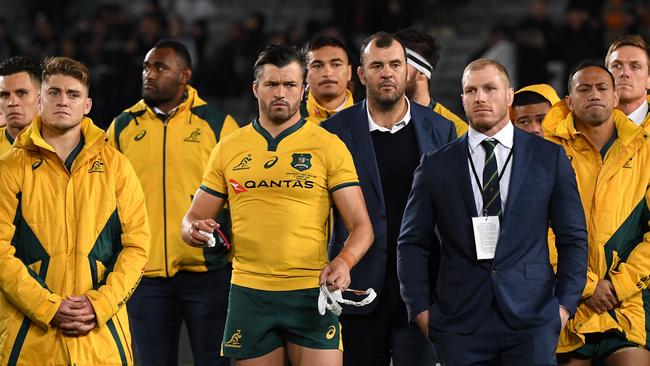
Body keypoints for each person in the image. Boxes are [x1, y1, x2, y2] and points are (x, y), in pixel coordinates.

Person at [181, 44, 374, 366]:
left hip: (311, 292)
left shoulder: (328, 145)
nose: (280, 93)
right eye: (272, 84)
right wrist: (193, 230)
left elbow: (362, 226)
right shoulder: (229, 148)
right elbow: (193, 219)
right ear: (256, 88)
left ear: (303, 90)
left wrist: (344, 262)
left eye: (289, 85)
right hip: (249, 293)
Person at [397, 58, 588, 366]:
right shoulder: (435, 165)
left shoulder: (549, 158)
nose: (480, 97)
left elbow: (574, 238)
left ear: (509, 96)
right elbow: (412, 243)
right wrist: (420, 310)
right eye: (471, 90)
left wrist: (563, 308)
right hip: (458, 323)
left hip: (532, 320)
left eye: (489, 88)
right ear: (462, 99)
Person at [0, 56, 150, 365]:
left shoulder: (117, 166)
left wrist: (101, 304)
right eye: (54, 93)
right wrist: (47, 308)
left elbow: (137, 246)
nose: (62, 101)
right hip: (29, 340)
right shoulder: (9, 168)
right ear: (40, 101)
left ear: (87, 105)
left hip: (101, 337)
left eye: (73, 94)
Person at [322, 31, 455, 366]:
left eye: (396, 64)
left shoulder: (441, 130)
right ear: (362, 74)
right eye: (377, 65)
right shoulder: (333, 132)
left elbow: (451, 214)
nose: (387, 73)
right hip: (357, 288)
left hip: (422, 291)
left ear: (408, 71)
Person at [107, 39, 239, 366]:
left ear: (185, 76)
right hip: (144, 276)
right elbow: (104, 199)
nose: (149, 74)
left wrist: (234, 255)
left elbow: (241, 199)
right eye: (146, 67)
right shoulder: (122, 126)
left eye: (160, 67)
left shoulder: (218, 125)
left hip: (208, 272)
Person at [544, 61, 650, 366]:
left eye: (603, 88)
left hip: (628, 301)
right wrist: (586, 285)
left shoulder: (644, 148)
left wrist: (618, 285)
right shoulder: (546, 151)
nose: (594, 94)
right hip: (566, 299)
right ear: (569, 101)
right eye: (584, 88)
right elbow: (538, 230)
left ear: (616, 97)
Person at [394, 27, 468, 136]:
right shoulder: (372, 121)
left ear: (422, 72)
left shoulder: (457, 131)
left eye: (396, 65)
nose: (388, 73)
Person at [301, 36, 354, 124]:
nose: (328, 73)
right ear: (305, 75)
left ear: (349, 72)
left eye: (336, 65)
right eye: (317, 66)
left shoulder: (370, 120)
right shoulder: (289, 121)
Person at [605, 34, 650, 129]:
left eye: (635, 66)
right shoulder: (581, 126)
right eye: (616, 66)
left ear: (649, 80)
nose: (624, 73)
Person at [0, 56, 41, 155]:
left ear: (41, 98)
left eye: (21, 93)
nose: (12, 103)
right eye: (4, 95)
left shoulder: (64, 146)